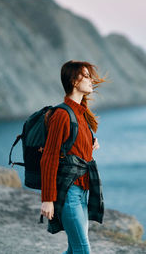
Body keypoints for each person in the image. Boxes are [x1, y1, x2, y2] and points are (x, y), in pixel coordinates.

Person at [40, 60, 107, 254]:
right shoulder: (62, 114)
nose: (90, 80)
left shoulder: (81, 113)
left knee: (74, 248)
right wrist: (47, 199)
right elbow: (49, 157)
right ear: (74, 81)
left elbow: (74, 149)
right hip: (69, 193)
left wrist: (92, 142)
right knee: (83, 249)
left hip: (81, 192)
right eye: (86, 76)